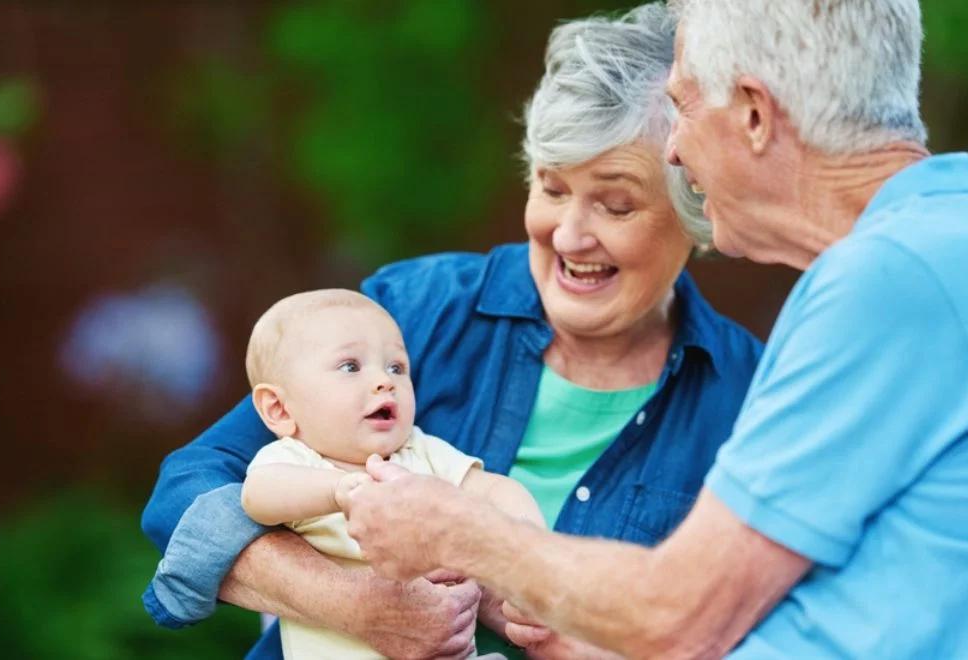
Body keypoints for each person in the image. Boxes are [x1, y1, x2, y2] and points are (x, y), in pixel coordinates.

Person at [339, 1, 968, 657]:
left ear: (753, 114)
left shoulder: (894, 279)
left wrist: (458, 532)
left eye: (683, 104)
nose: (673, 148)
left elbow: (680, 617)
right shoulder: (941, 244)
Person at [139, 4, 764, 658]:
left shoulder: (748, 396)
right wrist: (358, 606)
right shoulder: (408, 314)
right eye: (551, 190)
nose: (570, 234)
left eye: (616, 204)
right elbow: (191, 488)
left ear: (700, 205)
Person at [239, 289, 542, 658]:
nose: (385, 381)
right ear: (279, 409)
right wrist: (339, 491)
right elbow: (257, 496)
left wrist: (532, 551)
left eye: (396, 367)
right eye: (350, 366)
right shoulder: (296, 462)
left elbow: (492, 489)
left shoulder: (419, 452)